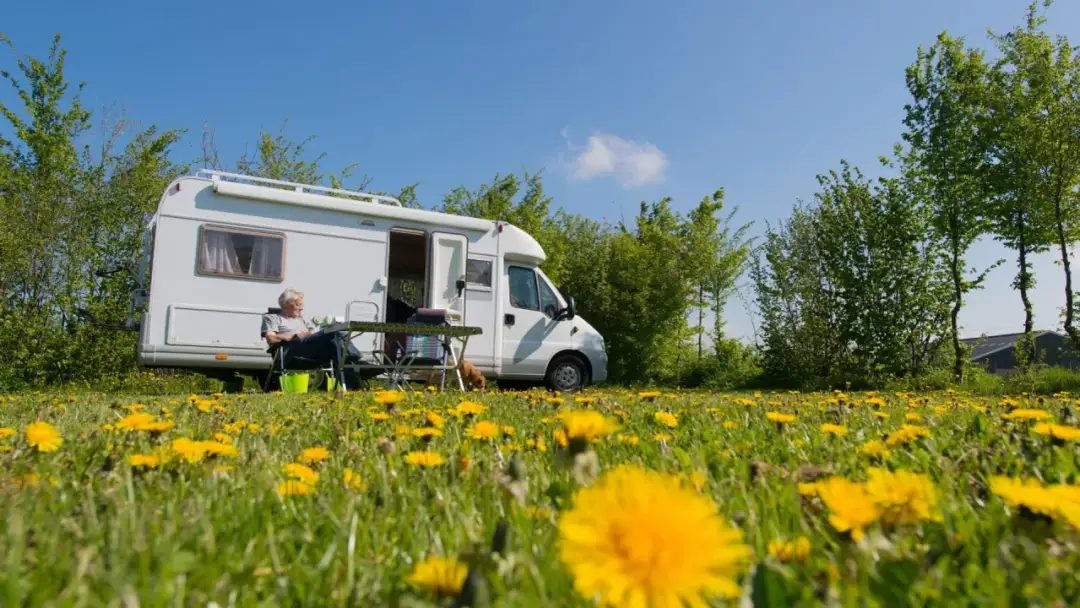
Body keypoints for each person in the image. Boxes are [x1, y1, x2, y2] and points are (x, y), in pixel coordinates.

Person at [262, 288, 368, 388]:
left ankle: (352, 387)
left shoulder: (302, 319)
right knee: (334, 330)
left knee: (335, 344)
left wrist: (309, 334)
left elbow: (312, 333)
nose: (302, 308)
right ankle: (357, 359)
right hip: (291, 353)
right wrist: (293, 336)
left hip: (310, 352)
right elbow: (271, 338)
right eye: (298, 305)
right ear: (287, 304)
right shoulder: (272, 318)